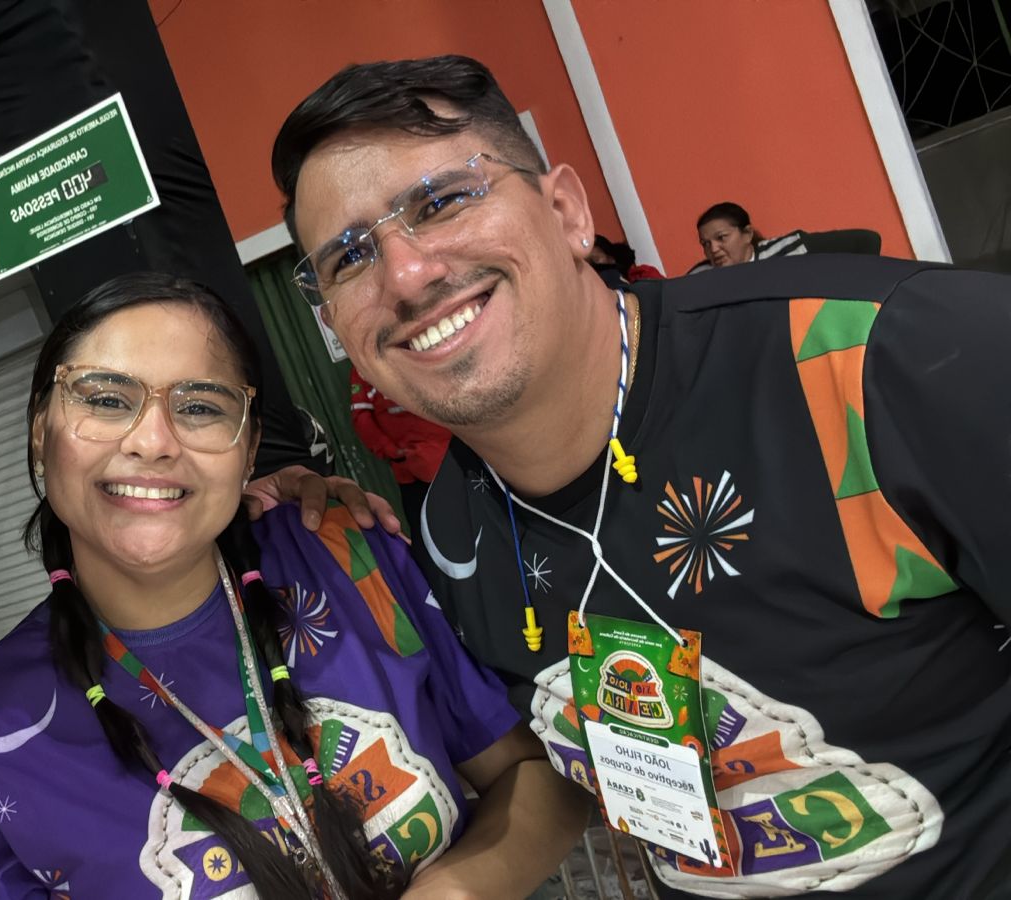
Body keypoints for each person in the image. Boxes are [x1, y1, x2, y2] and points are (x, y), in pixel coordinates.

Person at [271, 54, 1011, 898]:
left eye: (441, 202)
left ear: (566, 211)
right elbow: (552, 772)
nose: (406, 275)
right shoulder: (451, 535)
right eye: (349, 257)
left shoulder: (883, 363)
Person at [0, 272, 587, 899]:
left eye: (200, 407)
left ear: (249, 450)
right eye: (104, 399)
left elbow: (535, 773)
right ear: (39, 432)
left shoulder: (343, 556)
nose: (153, 441)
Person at [348, 363, 450, 530]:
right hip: (409, 469)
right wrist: (391, 450)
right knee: (427, 529)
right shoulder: (363, 367)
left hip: (446, 459)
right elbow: (362, 418)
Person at [691, 202, 881, 273]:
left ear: (747, 234)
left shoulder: (790, 250)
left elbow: (867, 241)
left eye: (721, 238)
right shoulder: (700, 277)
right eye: (705, 244)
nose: (713, 249)